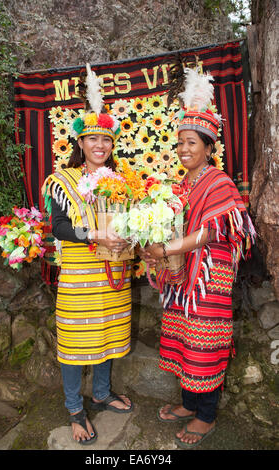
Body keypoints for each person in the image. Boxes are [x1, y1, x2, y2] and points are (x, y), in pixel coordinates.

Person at [140, 68, 256, 448]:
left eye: (191, 143)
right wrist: (151, 243)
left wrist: (169, 248)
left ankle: (206, 415)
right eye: (180, 144)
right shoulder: (179, 186)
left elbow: (218, 230)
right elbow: (168, 226)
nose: (184, 150)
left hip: (208, 280)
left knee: (204, 344)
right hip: (182, 280)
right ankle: (190, 404)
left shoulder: (218, 183)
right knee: (182, 340)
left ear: (208, 146)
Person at [42, 65, 133, 445]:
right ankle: (74, 410)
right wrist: (93, 233)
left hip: (113, 275)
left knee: (107, 335)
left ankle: (101, 392)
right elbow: (58, 228)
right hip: (80, 278)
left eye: (106, 141)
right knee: (76, 344)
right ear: (80, 143)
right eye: (92, 139)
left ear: (112, 145)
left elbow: (132, 223)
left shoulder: (123, 180)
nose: (100, 146)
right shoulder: (62, 180)